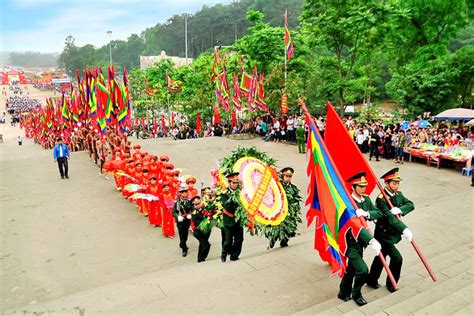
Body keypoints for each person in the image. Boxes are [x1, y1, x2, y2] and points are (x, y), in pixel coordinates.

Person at [338, 172, 383, 305]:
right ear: (353, 187)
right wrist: (371, 240)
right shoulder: (347, 202)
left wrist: (367, 213)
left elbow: (378, 212)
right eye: (360, 186)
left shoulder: (366, 199)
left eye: (365, 186)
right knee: (362, 270)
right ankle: (356, 294)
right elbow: (355, 225)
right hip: (350, 242)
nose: (363, 189)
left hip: (360, 243)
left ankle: (343, 292)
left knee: (352, 269)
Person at [367, 168, 414, 292]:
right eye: (394, 183)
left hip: (392, 233)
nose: (397, 185)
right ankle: (391, 284)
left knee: (381, 256)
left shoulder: (399, 194)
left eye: (398, 183)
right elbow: (390, 218)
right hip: (383, 234)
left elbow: (410, 204)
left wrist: (400, 209)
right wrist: (404, 229)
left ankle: (371, 279)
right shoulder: (381, 199)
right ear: (386, 184)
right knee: (397, 258)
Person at [268, 167, 302, 248]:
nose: (288, 178)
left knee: (289, 226)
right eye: (286, 176)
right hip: (279, 210)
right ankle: (273, 238)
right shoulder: (277, 186)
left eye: (290, 176)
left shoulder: (293, 188)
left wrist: (295, 210)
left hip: (289, 212)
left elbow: (295, 199)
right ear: (282, 176)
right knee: (277, 226)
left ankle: (284, 241)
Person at [220, 172, 244, 262]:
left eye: (236, 182)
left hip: (239, 220)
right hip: (229, 220)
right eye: (233, 183)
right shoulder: (225, 193)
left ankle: (234, 255)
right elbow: (226, 206)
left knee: (239, 239)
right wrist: (233, 199)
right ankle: (224, 253)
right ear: (229, 182)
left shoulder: (240, 191)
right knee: (228, 241)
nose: (235, 184)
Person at [173, 186, 193, 257]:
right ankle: (184, 249)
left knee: (185, 235)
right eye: (183, 195)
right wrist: (178, 216)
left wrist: (190, 215)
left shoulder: (189, 202)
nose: (185, 197)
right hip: (180, 221)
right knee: (181, 235)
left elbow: (192, 209)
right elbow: (174, 212)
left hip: (187, 220)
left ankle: (182, 243)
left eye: (186, 196)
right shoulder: (177, 203)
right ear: (180, 196)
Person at [191, 195, 212, 262]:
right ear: (194, 205)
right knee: (206, 245)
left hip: (206, 231)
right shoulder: (194, 213)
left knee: (202, 244)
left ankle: (199, 257)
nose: (198, 205)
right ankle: (202, 258)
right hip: (199, 232)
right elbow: (198, 223)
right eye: (196, 204)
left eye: (199, 203)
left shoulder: (205, 208)